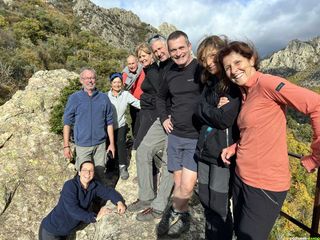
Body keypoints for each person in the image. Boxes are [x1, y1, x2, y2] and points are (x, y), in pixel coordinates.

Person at [218, 41, 320, 239]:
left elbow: (316, 105)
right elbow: (255, 129)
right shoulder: (245, 93)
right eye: (227, 67)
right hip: (241, 178)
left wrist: (316, 155)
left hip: (265, 185)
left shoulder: (267, 83)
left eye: (238, 62)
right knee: (239, 233)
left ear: (252, 59)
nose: (233, 70)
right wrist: (235, 147)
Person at [156, 30, 202, 238]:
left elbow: (217, 91)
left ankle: (175, 212)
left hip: (195, 137)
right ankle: (182, 214)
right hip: (175, 136)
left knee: (187, 184)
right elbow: (160, 98)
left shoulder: (201, 69)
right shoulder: (169, 72)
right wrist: (164, 118)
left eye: (181, 48)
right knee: (178, 181)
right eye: (173, 50)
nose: (177, 53)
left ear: (189, 46)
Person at [194, 35, 241, 239]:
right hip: (205, 153)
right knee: (205, 201)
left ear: (222, 54)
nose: (209, 63)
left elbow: (224, 119)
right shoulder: (209, 83)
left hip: (222, 157)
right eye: (204, 60)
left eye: (213, 57)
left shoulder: (233, 84)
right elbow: (198, 109)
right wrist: (210, 108)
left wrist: (206, 110)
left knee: (220, 207)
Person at [127, 35, 174, 222]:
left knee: (169, 162)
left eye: (153, 52)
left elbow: (160, 95)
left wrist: (144, 101)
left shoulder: (158, 70)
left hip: (173, 119)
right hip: (162, 118)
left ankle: (159, 206)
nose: (156, 53)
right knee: (143, 151)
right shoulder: (158, 68)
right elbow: (161, 95)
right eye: (153, 51)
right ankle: (146, 197)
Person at [39, 161, 126, 240]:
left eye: (91, 170)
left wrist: (119, 202)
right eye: (85, 170)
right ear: (79, 172)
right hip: (51, 231)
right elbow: (73, 210)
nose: (88, 173)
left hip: (66, 232)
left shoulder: (94, 185)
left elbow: (108, 192)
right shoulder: (70, 186)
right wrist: (95, 217)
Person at [63, 68, 115, 185]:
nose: (90, 81)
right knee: (84, 176)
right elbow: (67, 123)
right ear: (81, 81)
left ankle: (99, 198)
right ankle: (84, 201)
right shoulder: (74, 98)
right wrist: (66, 146)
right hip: (82, 146)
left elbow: (109, 122)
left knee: (100, 174)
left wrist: (111, 144)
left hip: (100, 145)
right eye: (87, 78)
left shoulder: (103, 98)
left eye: (92, 78)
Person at [107, 72, 140, 180]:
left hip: (121, 124)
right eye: (114, 82)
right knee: (109, 144)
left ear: (122, 83)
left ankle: (122, 166)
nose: (117, 84)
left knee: (120, 142)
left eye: (119, 82)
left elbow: (137, 103)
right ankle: (111, 167)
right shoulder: (105, 96)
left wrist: (152, 104)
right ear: (111, 84)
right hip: (109, 126)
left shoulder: (126, 95)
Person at [133, 43, 159, 149]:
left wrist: (146, 99)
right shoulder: (148, 70)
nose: (142, 59)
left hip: (151, 112)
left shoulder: (153, 72)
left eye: (144, 55)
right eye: (140, 57)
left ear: (151, 55)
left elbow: (160, 94)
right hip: (147, 111)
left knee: (140, 144)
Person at [122, 55, 145, 143]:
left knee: (144, 124)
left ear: (137, 62)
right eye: (129, 64)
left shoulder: (143, 70)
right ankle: (136, 144)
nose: (131, 66)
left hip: (145, 102)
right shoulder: (125, 74)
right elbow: (125, 87)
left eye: (133, 63)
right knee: (135, 124)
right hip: (134, 103)